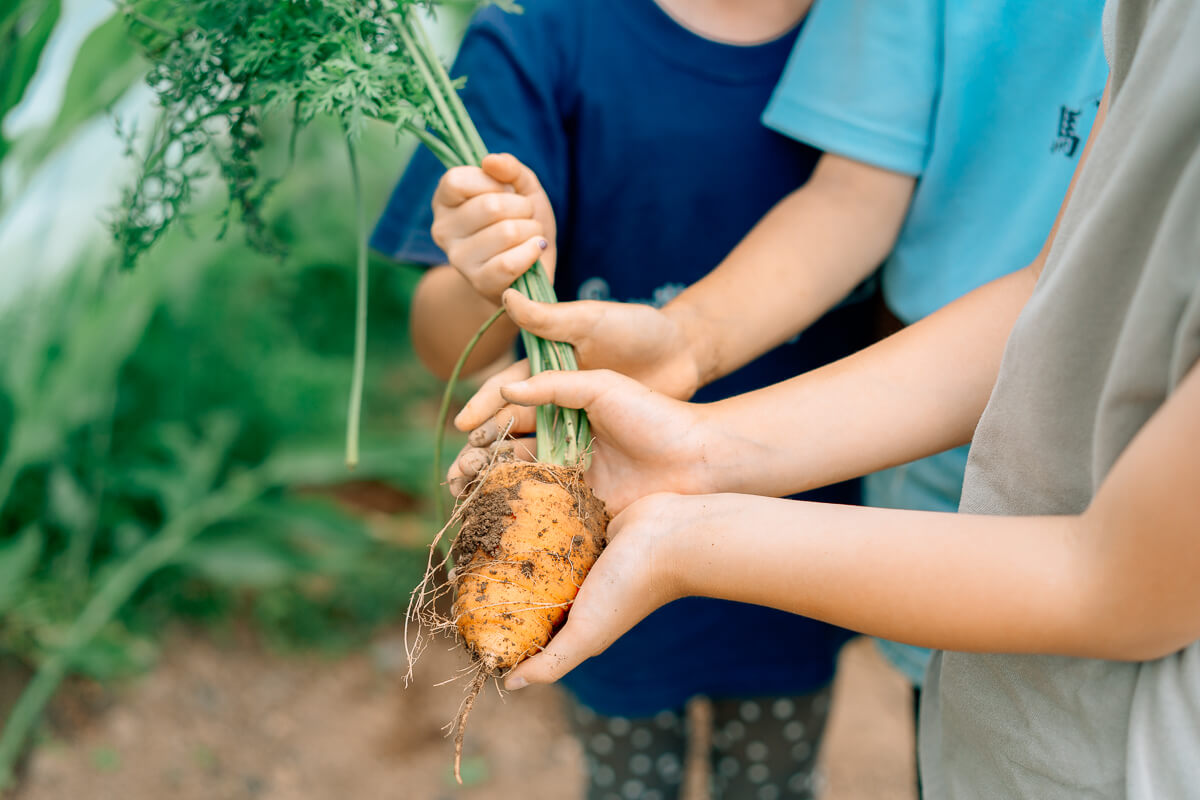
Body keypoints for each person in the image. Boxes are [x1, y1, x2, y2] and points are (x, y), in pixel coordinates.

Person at [461, 0, 1200, 796]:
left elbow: (1120, 584)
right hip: (1011, 739)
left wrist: (684, 537)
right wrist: (699, 442)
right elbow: (1055, 303)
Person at [372, 1, 876, 796]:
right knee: (627, 775)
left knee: (777, 774)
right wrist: (494, 268)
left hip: (800, 532)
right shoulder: (538, 31)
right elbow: (442, 341)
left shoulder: (886, 34)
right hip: (598, 535)